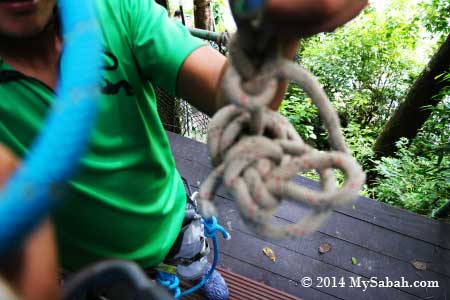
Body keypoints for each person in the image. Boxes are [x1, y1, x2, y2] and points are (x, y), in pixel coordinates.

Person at [0, 0, 367, 297]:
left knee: (202, 273)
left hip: (173, 223)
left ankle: (201, 277)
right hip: (79, 270)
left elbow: (238, 106)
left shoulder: (117, 9)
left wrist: (272, 30)